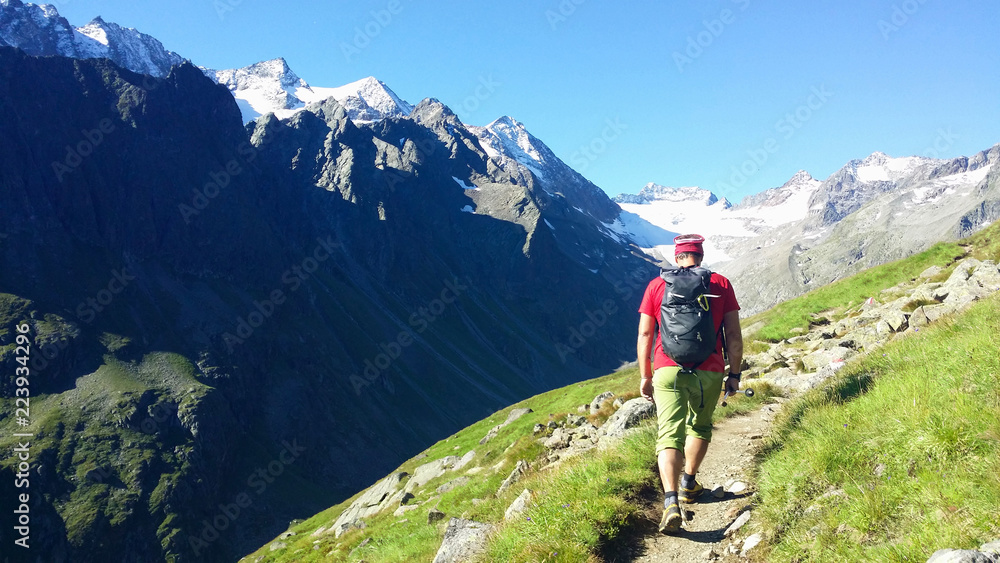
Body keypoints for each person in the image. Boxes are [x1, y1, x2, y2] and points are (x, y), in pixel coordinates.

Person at [636, 233, 743, 533]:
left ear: (677, 255)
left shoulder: (658, 286)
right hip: (708, 369)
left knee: (669, 432)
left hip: (667, 369)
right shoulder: (720, 284)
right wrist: (733, 374)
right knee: (700, 425)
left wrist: (646, 375)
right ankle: (689, 484)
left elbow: (646, 335)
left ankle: (671, 502)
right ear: (701, 254)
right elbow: (733, 336)